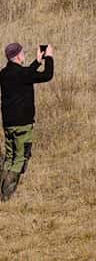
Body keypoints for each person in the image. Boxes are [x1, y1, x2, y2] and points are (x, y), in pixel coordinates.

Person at [0, 42, 54, 202]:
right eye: (23, 53)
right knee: (20, 158)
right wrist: (49, 56)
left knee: (9, 157)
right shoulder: (23, 74)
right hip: (23, 123)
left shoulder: (3, 74)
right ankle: (6, 195)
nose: (24, 55)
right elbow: (47, 75)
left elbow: (25, 74)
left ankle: (1, 188)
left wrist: (37, 61)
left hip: (8, 123)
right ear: (17, 56)